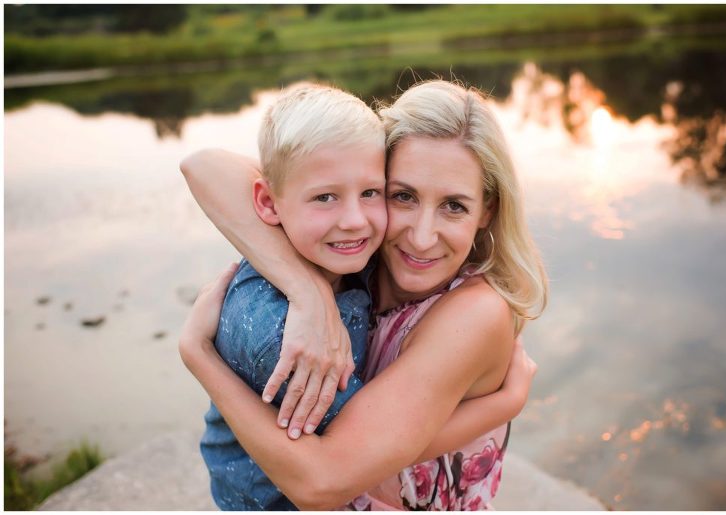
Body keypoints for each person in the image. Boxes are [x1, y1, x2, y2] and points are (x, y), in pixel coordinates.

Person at [180, 80, 547, 510]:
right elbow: (203, 165)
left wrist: (199, 357)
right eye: (403, 196)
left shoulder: (476, 312)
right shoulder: (360, 253)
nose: (423, 237)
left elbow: (324, 481)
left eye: (454, 206)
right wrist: (309, 293)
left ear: (487, 209)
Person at [186, 83, 388, 510]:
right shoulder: (276, 336)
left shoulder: (332, 251)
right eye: (325, 197)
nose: (355, 220)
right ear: (267, 203)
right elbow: (361, 451)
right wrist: (501, 403)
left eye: (371, 192)